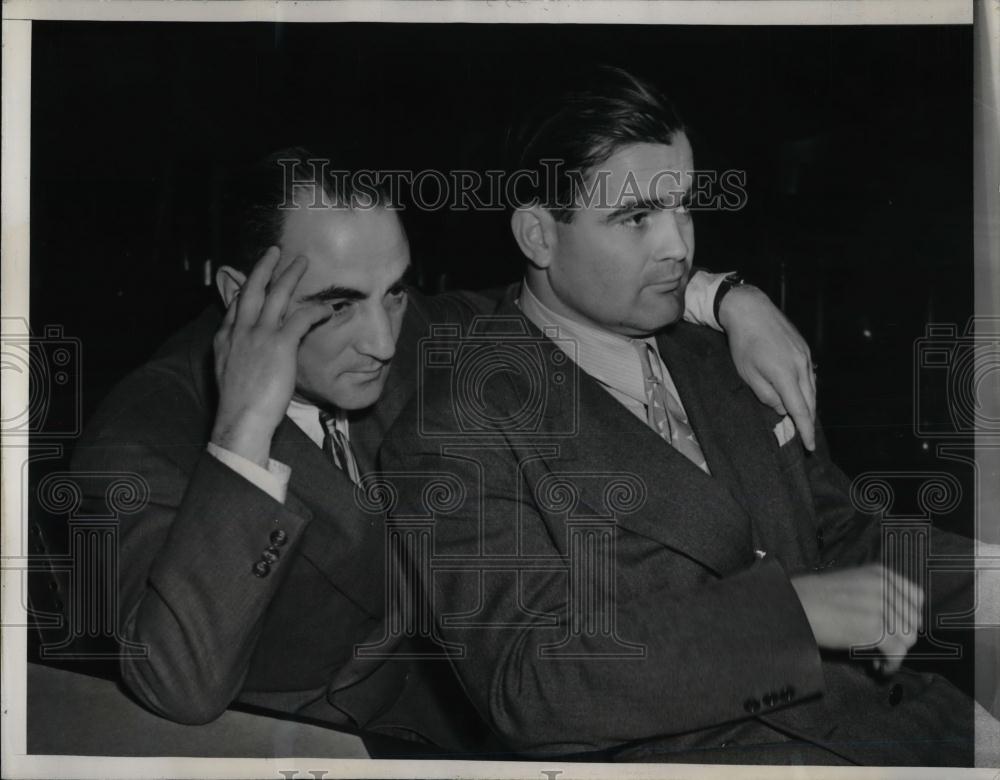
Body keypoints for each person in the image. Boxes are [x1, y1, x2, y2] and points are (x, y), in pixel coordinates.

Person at [68, 144, 819, 751]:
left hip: (477, 720)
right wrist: (242, 433)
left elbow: (548, 294)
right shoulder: (142, 433)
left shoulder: (411, 335)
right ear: (238, 293)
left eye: (394, 290)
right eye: (338, 305)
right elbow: (178, 684)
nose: (383, 339)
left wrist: (727, 298)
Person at [378, 67, 997, 764]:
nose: (678, 246)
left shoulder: (724, 355)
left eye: (683, 207)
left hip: (902, 727)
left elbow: (841, 535)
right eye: (637, 217)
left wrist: (988, 579)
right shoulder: (459, 427)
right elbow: (532, 686)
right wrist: (788, 619)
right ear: (538, 236)